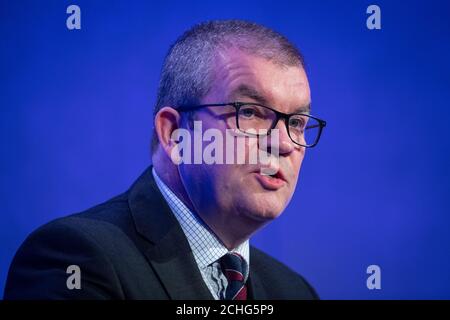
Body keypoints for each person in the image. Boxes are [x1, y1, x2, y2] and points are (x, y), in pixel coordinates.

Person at [4, 20, 326, 300]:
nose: (283, 143)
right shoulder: (76, 260)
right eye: (251, 112)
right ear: (174, 133)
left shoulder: (294, 291)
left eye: (296, 122)